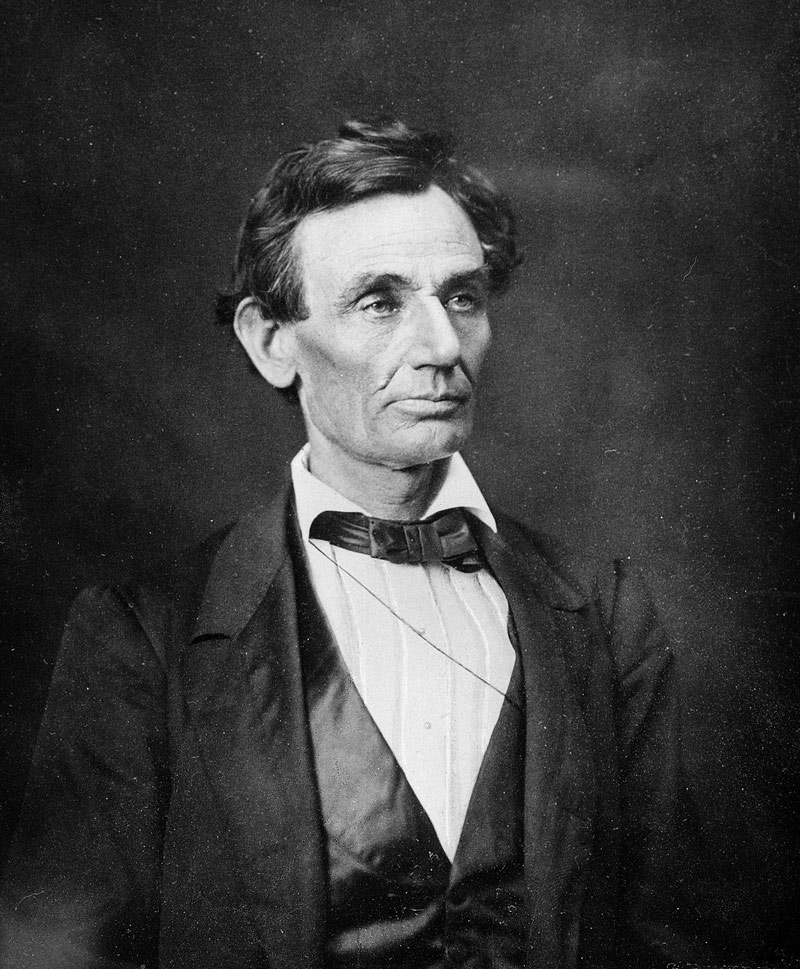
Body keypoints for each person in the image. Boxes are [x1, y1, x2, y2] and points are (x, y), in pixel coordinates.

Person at [1, 120, 705, 969]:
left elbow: (677, 937)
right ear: (271, 341)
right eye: (380, 302)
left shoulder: (603, 611)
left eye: (462, 297)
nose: (442, 347)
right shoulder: (142, 638)